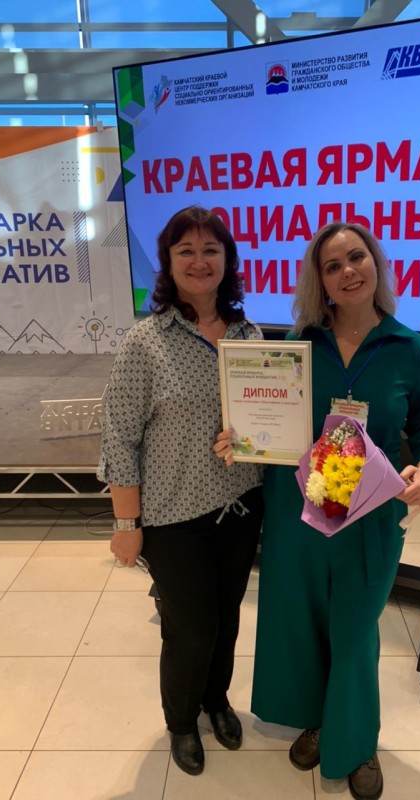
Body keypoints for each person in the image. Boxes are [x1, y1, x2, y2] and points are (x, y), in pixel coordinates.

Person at [250, 222, 420, 799]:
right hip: (302, 508)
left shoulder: (407, 346)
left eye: (356, 257)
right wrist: (244, 435)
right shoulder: (300, 342)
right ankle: (319, 718)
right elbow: (271, 417)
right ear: (321, 280)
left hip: (371, 513)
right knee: (305, 618)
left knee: (356, 631)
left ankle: (356, 741)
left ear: (375, 262)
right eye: (332, 266)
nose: (347, 271)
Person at [98, 206, 263, 777]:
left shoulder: (249, 336)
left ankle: (216, 701)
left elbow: (264, 426)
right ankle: (182, 721)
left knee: (227, 618)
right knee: (190, 630)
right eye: (185, 250)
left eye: (210, 249)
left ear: (227, 260)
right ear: (168, 263)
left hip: (241, 506)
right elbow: (119, 437)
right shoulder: (145, 342)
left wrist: (254, 441)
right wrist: (127, 525)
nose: (199, 260)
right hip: (173, 517)